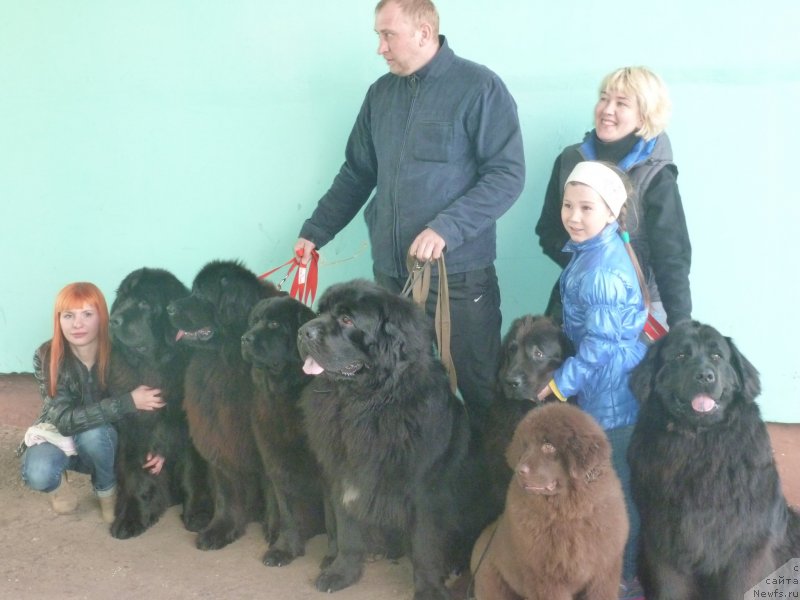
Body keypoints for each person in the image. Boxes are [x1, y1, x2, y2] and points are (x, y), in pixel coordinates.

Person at [294, 0, 525, 432]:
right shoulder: (380, 95)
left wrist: (446, 227)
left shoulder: (480, 88)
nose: (380, 48)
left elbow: (507, 176)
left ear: (423, 32)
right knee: (391, 391)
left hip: (459, 277)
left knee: (478, 390)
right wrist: (315, 232)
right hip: (391, 283)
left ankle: (488, 492)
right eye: (378, 36)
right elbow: (357, 173)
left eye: (388, 35)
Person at [535, 161, 647, 598]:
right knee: (610, 486)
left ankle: (625, 579)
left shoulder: (600, 270)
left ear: (611, 213)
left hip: (611, 395)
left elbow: (599, 345)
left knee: (615, 491)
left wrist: (561, 384)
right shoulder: (595, 252)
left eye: (586, 207)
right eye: (568, 205)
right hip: (610, 386)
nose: (574, 216)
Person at [535, 66, 691, 329]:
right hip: (576, 298)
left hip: (640, 307)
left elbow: (672, 257)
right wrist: (592, 267)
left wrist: (681, 326)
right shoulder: (569, 160)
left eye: (621, 103)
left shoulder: (657, 174)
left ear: (644, 116)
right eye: (604, 98)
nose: (607, 110)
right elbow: (548, 231)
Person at [18, 282, 165, 523]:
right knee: (39, 473)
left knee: (95, 435)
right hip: (60, 434)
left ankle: (106, 491)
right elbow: (65, 421)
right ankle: (58, 484)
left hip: (104, 442)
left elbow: (153, 404)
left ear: (103, 317)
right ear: (59, 320)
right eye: (69, 316)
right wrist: (128, 401)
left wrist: (160, 446)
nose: (78, 324)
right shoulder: (46, 354)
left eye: (88, 314)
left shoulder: (121, 350)